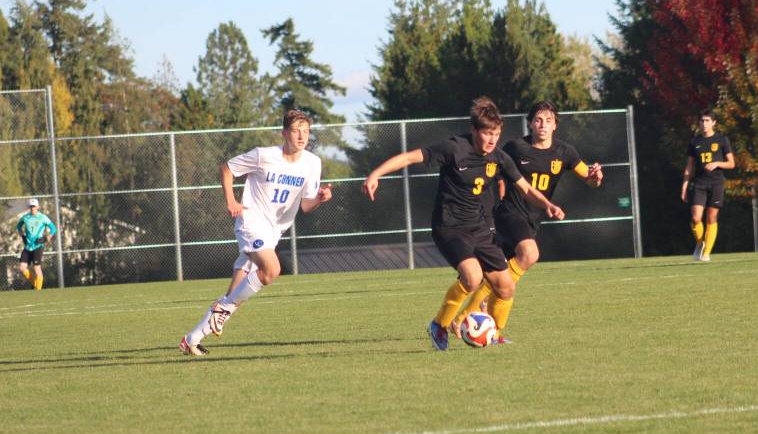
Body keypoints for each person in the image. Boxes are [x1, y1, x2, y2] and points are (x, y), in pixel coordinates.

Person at [361, 96, 564, 351]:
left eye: (496, 134)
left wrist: (547, 204)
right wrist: (375, 174)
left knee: (505, 286)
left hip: (480, 229)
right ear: (474, 130)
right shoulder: (454, 148)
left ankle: (493, 333)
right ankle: (439, 325)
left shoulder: (498, 158)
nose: (492, 140)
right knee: (472, 277)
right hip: (449, 227)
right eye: (487, 133)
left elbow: (524, 188)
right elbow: (409, 158)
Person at [179, 109, 333, 356]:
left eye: (306, 131)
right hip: (250, 221)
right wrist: (230, 200)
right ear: (284, 134)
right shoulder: (264, 155)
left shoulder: (312, 163)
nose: (302, 136)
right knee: (272, 269)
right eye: (296, 131)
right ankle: (224, 310)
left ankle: (192, 339)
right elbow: (227, 169)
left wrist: (321, 199)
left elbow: (306, 205)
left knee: (234, 293)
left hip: (274, 232)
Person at [452, 101, 603, 333]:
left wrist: (596, 176)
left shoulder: (565, 152)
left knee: (497, 277)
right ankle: (466, 317)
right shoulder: (516, 148)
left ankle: (482, 328)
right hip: (508, 213)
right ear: (530, 123)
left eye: (548, 120)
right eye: (538, 120)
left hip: (532, 220)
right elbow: (492, 170)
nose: (543, 125)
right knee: (529, 254)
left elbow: (591, 180)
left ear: (555, 125)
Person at [681, 110, 735, 261]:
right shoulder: (694, 142)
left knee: (711, 217)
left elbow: (731, 163)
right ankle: (700, 243)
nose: (704, 124)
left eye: (707, 121)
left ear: (714, 123)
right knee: (696, 217)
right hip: (699, 183)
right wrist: (684, 186)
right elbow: (689, 167)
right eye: (702, 121)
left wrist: (717, 163)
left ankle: (706, 254)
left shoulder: (722, 140)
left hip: (716, 183)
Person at [16, 198, 57, 290]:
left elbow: (54, 229)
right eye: (31, 206)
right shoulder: (25, 217)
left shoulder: (42, 217)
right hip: (28, 247)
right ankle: (36, 283)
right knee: (22, 268)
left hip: (38, 246)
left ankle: (38, 291)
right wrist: (23, 236)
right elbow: (18, 226)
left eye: (34, 206)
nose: (32, 208)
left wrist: (46, 238)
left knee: (37, 268)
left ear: (38, 207)